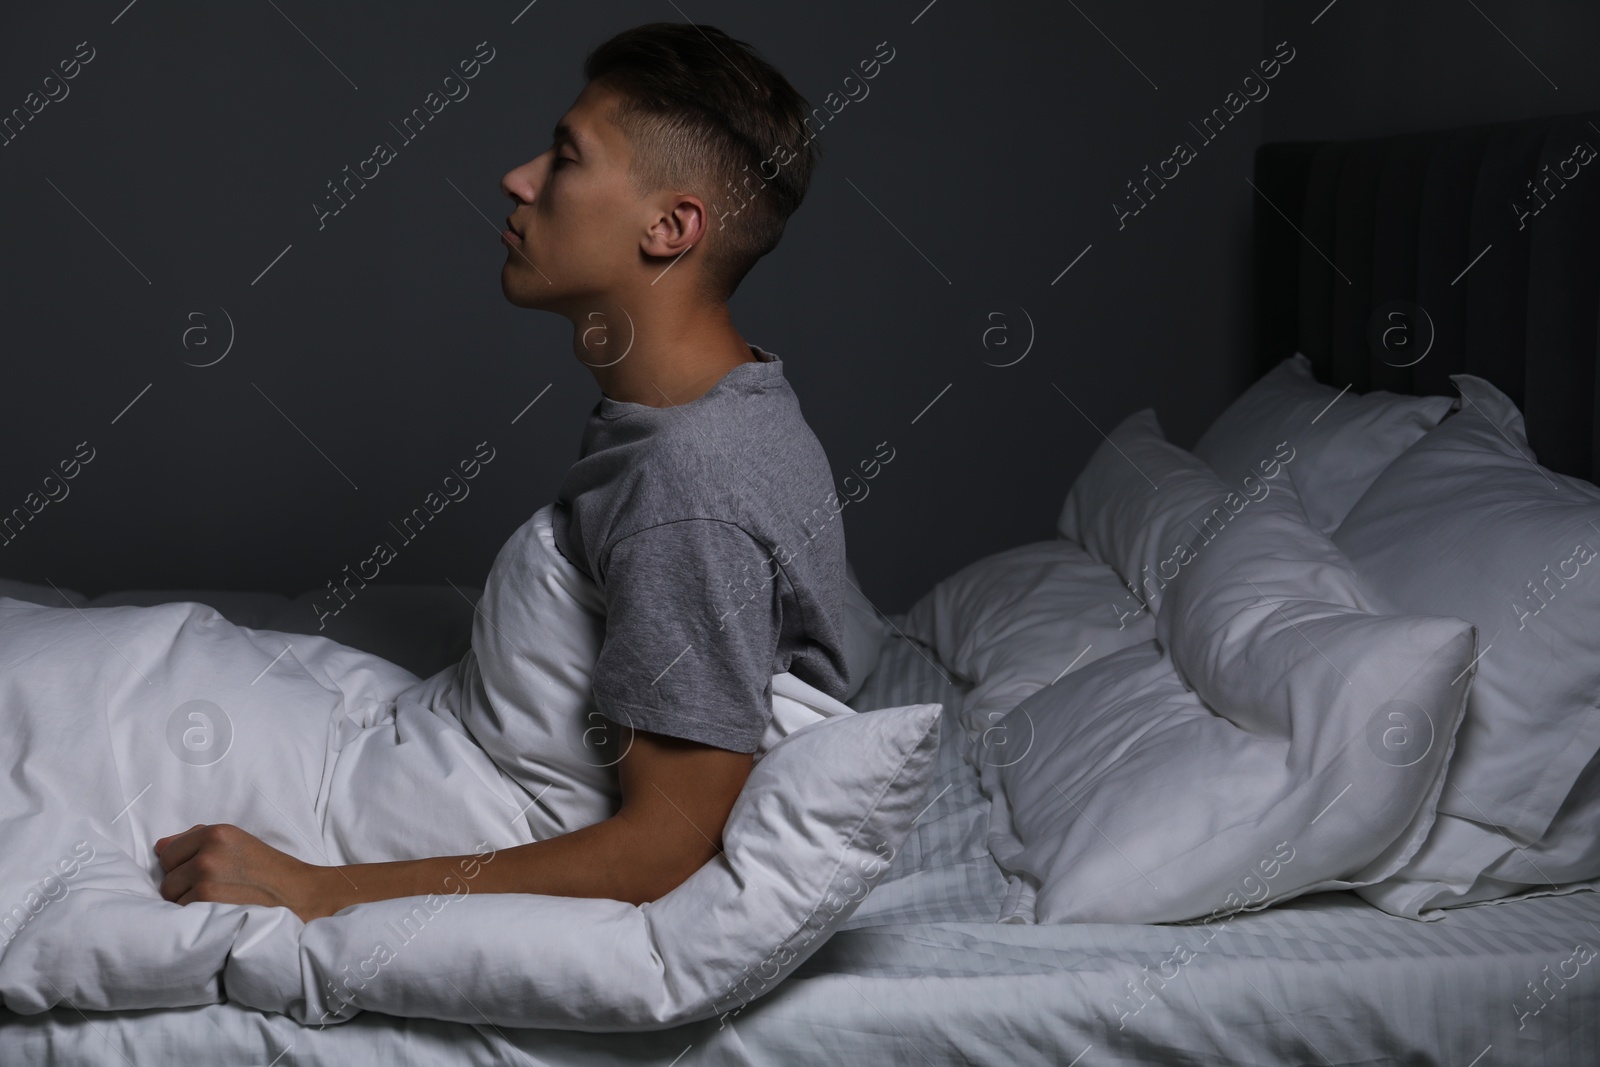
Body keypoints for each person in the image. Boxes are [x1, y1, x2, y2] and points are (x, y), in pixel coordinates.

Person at [153, 21, 851, 921]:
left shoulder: (693, 482)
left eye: (566, 156)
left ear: (670, 227)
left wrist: (318, 891)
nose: (518, 180)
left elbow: (664, 846)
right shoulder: (718, 406)